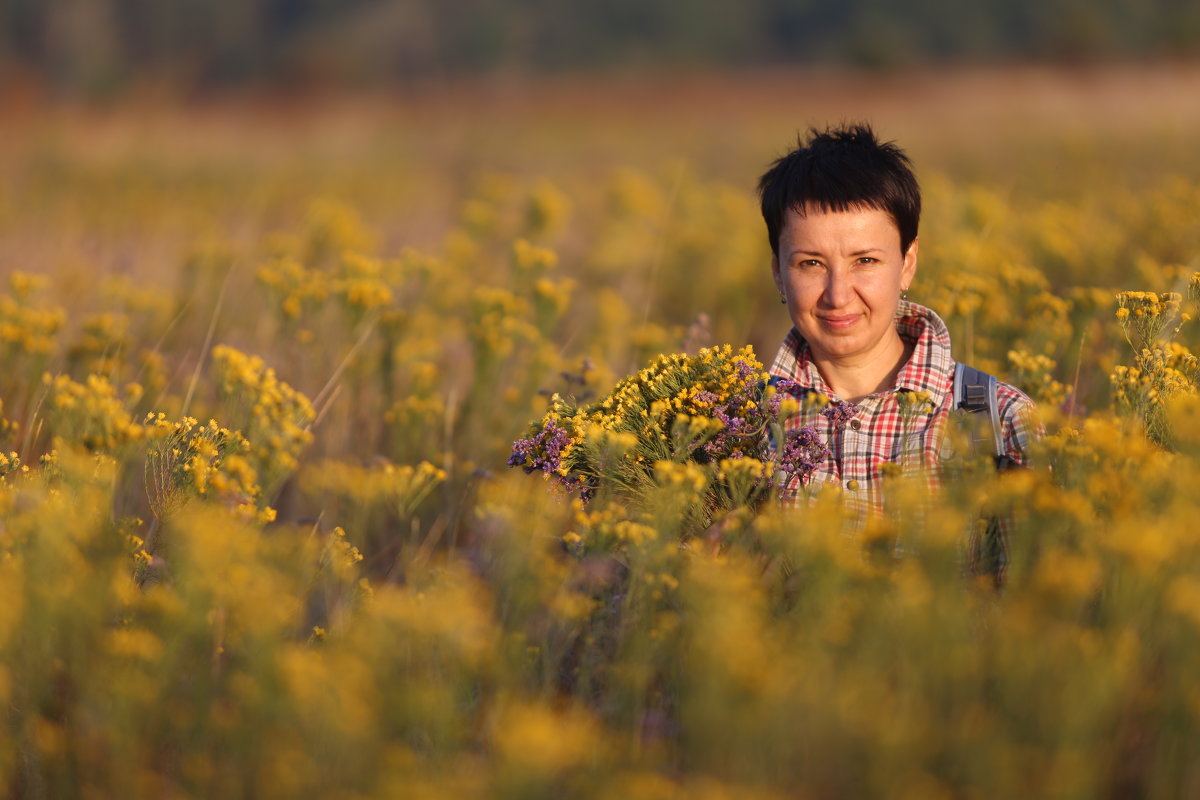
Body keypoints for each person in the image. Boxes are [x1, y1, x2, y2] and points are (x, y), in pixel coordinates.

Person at [758, 124, 1037, 571]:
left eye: (864, 261)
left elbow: (1039, 611)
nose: (837, 294)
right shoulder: (739, 426)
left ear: (907, 264)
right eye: (810, 263)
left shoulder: (998, 422)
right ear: (778, 272)